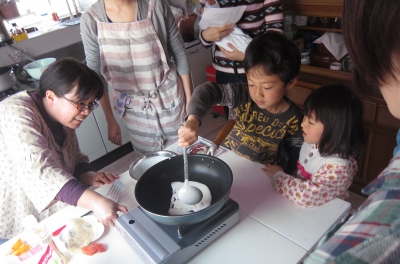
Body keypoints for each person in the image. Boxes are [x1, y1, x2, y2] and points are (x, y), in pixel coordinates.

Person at [298, 1, 400, 264]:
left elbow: (311, 193)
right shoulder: (313, 142)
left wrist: (279, 179)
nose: (303, 124)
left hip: (321, 216)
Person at [0, 58, 128, 243]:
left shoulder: (65, 116)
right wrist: (95, 201)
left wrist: (90, 175)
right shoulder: (16, 113)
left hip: (50, 210)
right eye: (80, 103)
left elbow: (74, 157)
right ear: (51, 97)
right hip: (15, 209)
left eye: (91, 104)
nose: (86, 112)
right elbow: (42, 174)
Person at [179, 31, 303, 174]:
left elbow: (295, 150)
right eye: (251, 83)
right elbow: (206, 91)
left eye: (267, 87)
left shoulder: (294, 116)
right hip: (230, 160)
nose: (257, 94)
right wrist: (193, 119)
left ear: (290, 82)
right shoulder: (241, 94)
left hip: (262, 172)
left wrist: (284, 174)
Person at [80, 0, 192, 155]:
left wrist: (190, 101)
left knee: (184, 153)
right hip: (133, 108)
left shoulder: (157, 5)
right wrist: (110, 119)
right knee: (149, 162)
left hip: (169, 97)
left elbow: (179, 53)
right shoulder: (90, 20)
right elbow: (96, 76)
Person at [262, 84, 364, 207]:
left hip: (327, 216)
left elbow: (307, 196)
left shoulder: (337, 167)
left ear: (334, 130)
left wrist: (278, 176)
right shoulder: (314, 142)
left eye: (310, 121)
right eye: (305, 116)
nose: (303, 123)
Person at [198, 0, 283, 119]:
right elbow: (204, 37)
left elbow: (276, 37)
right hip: (224, 74)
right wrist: (205, 36)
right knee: (233, 124)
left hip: (257, 71)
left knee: (262, 121)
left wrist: (247, 56)